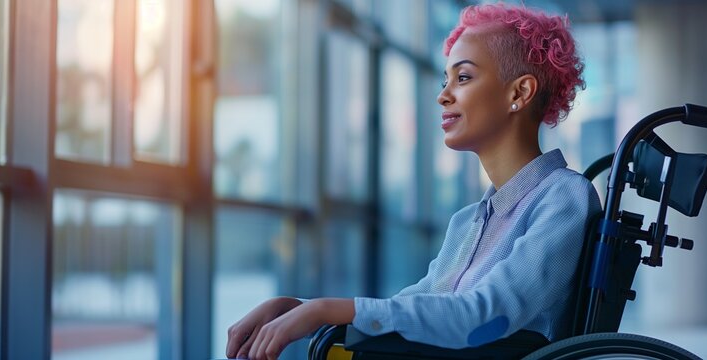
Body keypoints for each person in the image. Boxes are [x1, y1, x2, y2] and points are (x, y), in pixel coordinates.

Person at [225, 3, 601, 359]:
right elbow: (412, 310)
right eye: (446, 79)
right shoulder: (470, 220)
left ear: (519, 92)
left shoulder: (564, 197)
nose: (442, 96)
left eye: (464, 77)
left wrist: (326, 310)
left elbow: (483, 317)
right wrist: (302, 309)